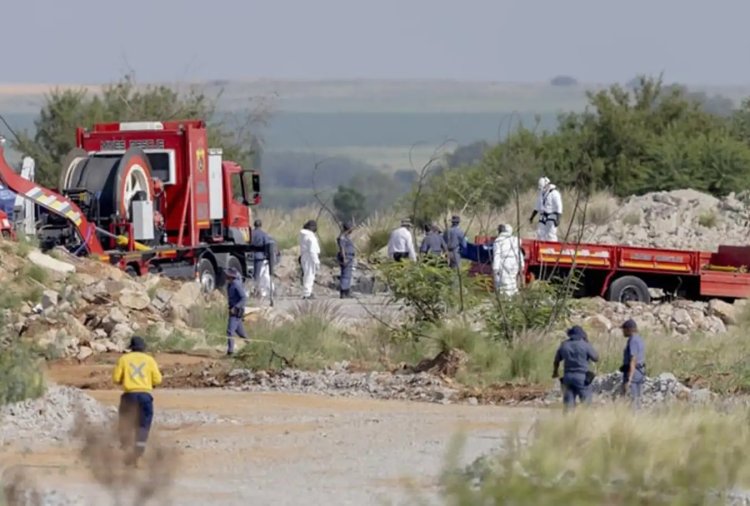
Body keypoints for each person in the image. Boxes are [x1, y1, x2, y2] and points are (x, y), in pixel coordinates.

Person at [112, 336, 162, 467]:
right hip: (145, 397)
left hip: (129, 396)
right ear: (144, 347)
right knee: (143, 426)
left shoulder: (124, 359)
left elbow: (116, 379)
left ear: (131, 347)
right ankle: (138, 454)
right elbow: (158, 380)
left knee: (125, 423)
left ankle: (126, 448)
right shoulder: (150, 360)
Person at [553, 325, 599, 412]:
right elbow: (596, 358)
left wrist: (555, 372)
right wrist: (587, 343)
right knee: (586, 405)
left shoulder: (564, 345)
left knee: (568, 406)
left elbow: (556, 361)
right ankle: (584, 423)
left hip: (567, 377)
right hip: (582, 377)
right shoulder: (585, 345)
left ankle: (568, 423)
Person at [491, 224, 524, 295]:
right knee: (512, 282)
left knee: (504, 283)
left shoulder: (498, 241)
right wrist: (522, 265)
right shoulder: (515, 240)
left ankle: (506, 300)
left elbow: (497, 254)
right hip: (515, 263)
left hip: (504, 262)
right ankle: (514, 298)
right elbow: (519, 253)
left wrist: (495, 269)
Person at [620, 319, 646, 409]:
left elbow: (633, 359)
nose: (623, 332)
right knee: (638, 398)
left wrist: (629, 378)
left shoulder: (633, 340)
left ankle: (633, 418)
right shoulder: (639, 339)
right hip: (640, 371)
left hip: (633, 373)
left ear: (629, 329)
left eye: (624, 329)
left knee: (632, 399)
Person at [529, 176, 563, 242]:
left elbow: (559, 206)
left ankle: (552, 248)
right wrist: (532, 217)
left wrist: (558, 219)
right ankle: (541, 248)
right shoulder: (541, 194)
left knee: (551, 235)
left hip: (552, 216)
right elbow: (537, 206)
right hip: (543, 215)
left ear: (547, 185)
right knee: (540, 233)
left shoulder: (555, 193)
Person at [225, 267, 248, 355]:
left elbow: (244, 298)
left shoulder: (236, 285)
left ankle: (230, 351)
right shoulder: (230, 285)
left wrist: (235, 307)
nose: (226, 276)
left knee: (230, 331)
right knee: (241, 333)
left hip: (236, 312)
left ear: (231, 276)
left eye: (227, 275)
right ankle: (250, 344)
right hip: (232, 310)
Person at [250, 219, 273, 299]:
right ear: (261, 225)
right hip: (260, 255)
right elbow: (267, 245)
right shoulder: (263, 234)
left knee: (253, 274)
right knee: (259, 274)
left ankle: (254, 289)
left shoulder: (251, 233)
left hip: (251, 254)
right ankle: (257, 290)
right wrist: (267, 255)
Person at [299, 220, 321, 299]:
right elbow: (313, 250)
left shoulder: (303, 235)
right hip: (310, 257)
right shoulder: (310, 237)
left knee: (307, 275)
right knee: (309, 275)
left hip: (304, 256)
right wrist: (316, 261)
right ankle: (307, 293)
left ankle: (307, 292)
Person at [337, 221, 356, 298]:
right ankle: (344, 291)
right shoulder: (342, 237)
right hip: (347, 256)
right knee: (346, 274)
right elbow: (342, 248)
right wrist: (344, 258)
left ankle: (346, 290)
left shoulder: (345, 236)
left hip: (349, 256)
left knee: (347, 274)